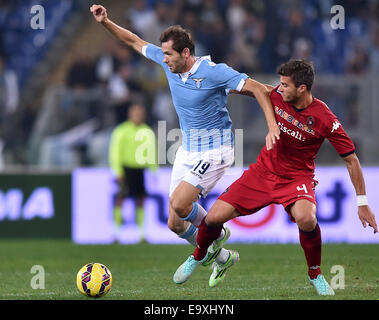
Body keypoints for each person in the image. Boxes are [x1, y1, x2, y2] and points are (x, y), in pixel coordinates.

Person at [91, 4, 280, 282]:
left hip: (216, 149)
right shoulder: (169, 65)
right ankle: (222, 255)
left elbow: (257, 88)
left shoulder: (214, 72)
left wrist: (273, 125)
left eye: (168, 54)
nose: (164, 60)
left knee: (180, 205)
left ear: (186, 53)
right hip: (188, 150)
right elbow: (134, 40)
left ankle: (212, 232)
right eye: (163, 53)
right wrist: (105, 22)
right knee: (174, 223)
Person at [173, 59, 378, 294]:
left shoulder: (325, 119)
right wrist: (214, 83)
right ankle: (198, 256)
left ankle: (315, 274)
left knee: (307, 218)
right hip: (262, 173)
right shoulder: (276, 95)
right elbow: (250, 87)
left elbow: (351, 160)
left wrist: (362, 202)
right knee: (214, 217)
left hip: (296, 178)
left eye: (285, 85)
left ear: (302, 88)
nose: (279, 88)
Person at [109, 104, 157, 242]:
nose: (138, 116)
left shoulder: (147, 131)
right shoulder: (121, 130)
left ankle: (141, 233)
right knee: (121, 199)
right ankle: (116, 233)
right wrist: (117, 171)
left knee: (141, 200)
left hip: (140, 170)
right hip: (125, 169)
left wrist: (153, 170)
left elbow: (152, 152)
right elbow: (115, 152)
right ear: (130, 115)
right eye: (135, 113)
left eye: (140, 113)